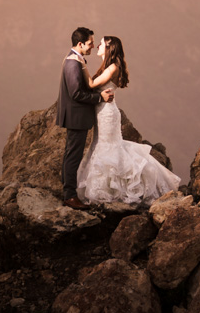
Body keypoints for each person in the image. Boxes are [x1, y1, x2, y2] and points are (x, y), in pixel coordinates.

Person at [77, 35, 182, 205]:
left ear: (110, 47)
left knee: (109, 147)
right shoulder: (109, 66)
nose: (98, 46)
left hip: (107, 113)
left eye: (101, 44)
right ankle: (109, 188)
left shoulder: (112, 68)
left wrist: (80, 62)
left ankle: (116, 189)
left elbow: (90, 84)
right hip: (102, 111)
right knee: (101, 145)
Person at [56, 27, 114, 210]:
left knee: (70, 154)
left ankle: (68, 191)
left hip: (75, 115)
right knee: (73, 155)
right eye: (90, 44)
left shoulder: (75, 59)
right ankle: (70, 196)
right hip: (76, 116)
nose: (92, 47)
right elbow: (76, 93)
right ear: (80, 44)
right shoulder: (73, 63)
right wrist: (99, 98)